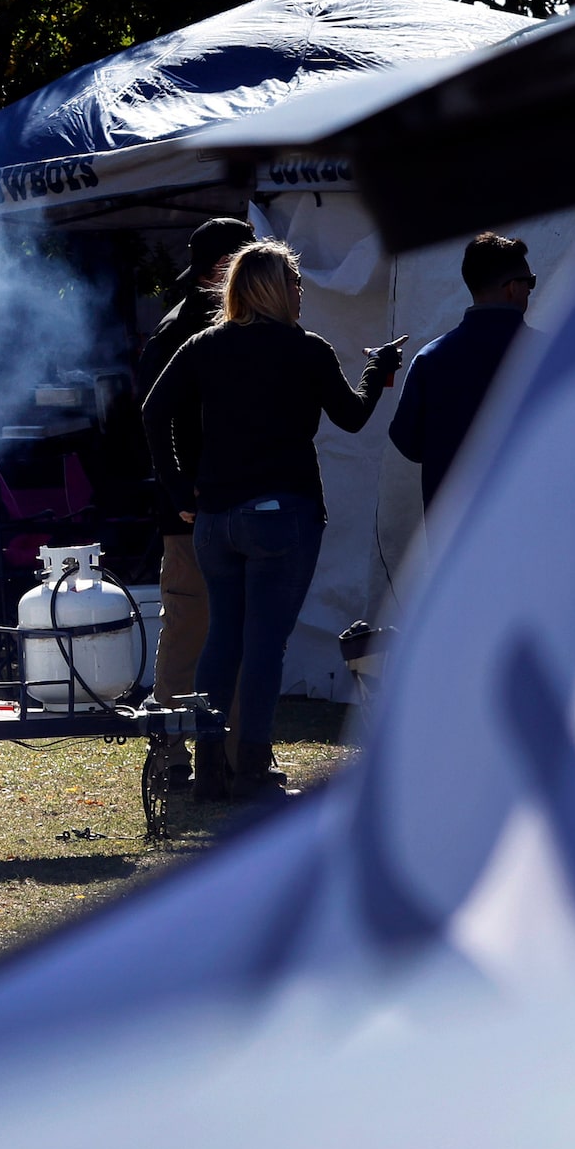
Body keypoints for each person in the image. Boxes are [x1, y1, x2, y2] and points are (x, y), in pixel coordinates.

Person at [142, 242, 404, 797]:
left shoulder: (205, 345)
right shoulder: (306, 349)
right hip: (282, 514)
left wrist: (176, 484)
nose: (300, 292)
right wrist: (379, 369)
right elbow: (352, 418)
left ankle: (211, 767)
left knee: (222, 640)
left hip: (215, 516)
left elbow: (153, 410)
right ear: (275, 289)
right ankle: (252, 769)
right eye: (295, 282)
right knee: (264, 646)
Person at [138, 217, 254, 715]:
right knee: (191, 627)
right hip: (193, 513)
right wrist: (181, 492)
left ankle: (221, 754)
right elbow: (154, 418)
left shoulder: (215, 326)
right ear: (225, 268)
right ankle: (173, 751)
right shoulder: (183, 331)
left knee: (218, 628)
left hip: (217, 506)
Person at [389, 233, 540, 505]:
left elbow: (407, 442)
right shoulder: (550, 352)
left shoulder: (429, 359)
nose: (530, 290)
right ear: (512, 288)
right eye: (529, 282)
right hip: (533, 521)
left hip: (453, 528)